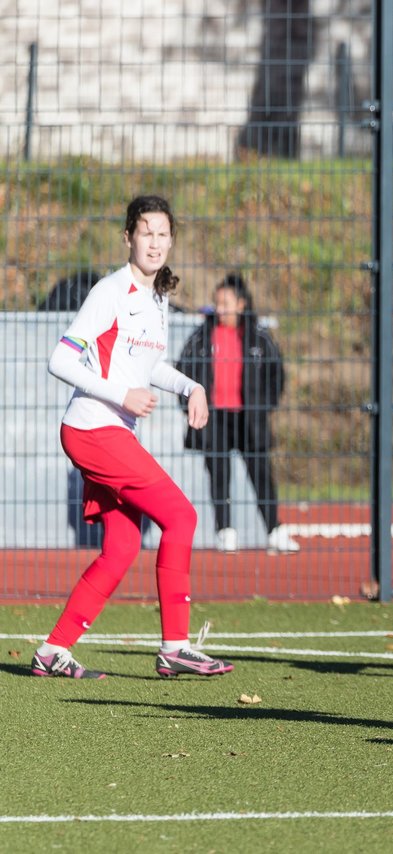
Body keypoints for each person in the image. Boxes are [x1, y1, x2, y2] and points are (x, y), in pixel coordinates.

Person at [33, 194, 234, 679]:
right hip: (92, 429)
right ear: (128, 237)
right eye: (147, 232)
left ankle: (51, 651)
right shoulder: (110, 291)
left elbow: (149, 365)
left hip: (108, 431)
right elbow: (60, 360)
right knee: (181, 517)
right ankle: (176, 646)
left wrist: (192, 386)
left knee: (122, 548)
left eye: (164, 234)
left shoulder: (157, 297)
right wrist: (122, 394)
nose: (155, 242)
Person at [176, 272, 298, 555]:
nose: (220, 308)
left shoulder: (258, 337)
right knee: (218, 474)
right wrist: (191, 406)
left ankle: (274, 530)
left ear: (241, 304)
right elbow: (184, 370)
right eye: (217, 302)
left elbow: (275, 374)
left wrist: (263, 406)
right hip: (215, 418)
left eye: (226, 302)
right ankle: (225, 531)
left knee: (261, 474)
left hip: (248, 418)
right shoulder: (202, 336)